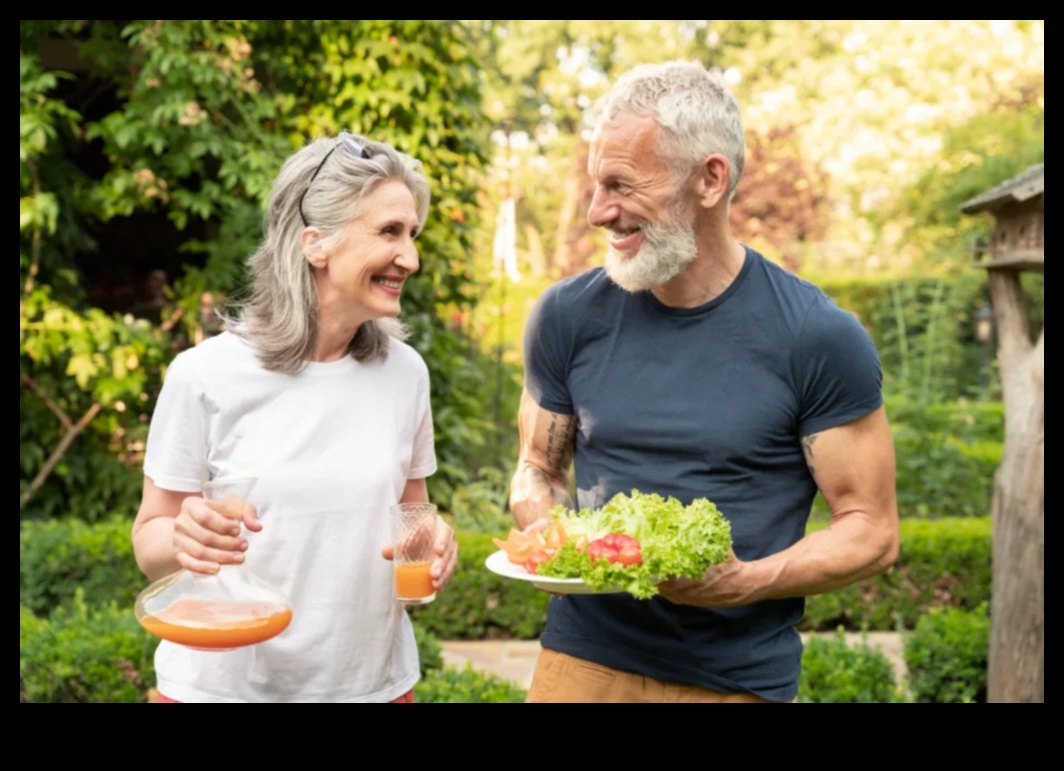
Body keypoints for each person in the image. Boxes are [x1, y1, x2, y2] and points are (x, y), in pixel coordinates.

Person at [509, 61, 899, 704]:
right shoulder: (566, 316)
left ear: (710, 179)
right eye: (594, 185)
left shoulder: (815, 336)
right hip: (582, 663)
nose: (596, 212)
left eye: (621, 185)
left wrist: (745, 580)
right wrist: (549, 532)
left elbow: (872, 530)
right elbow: (537, 469)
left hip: (736, 680)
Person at [132, 132, 457, 703]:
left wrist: (432, 540)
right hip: (220, 688)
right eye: (389, 232)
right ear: (315, 244)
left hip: (370, 687)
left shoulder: (406, 374)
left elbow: (411, 516)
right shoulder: (203, 375)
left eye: (412, 234)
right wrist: (184, 536)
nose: (411, 257)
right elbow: (150, 541)